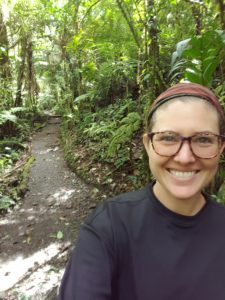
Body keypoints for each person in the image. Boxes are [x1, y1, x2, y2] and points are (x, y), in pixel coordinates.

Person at [58, 82, 225, 300]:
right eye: (168, 138)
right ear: (148, 145)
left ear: (220, 148)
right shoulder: (108, 227)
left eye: (203, 139)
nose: (185, 157)